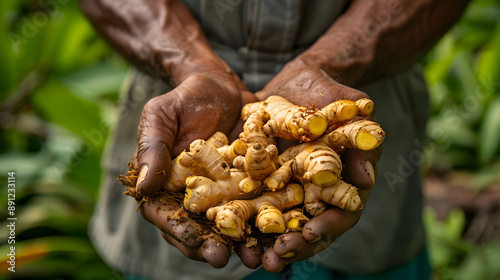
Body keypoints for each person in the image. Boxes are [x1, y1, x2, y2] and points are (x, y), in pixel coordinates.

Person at [79, 0, 470, 279]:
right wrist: (189, 64)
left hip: (371, 116)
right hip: (179, 106)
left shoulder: (294, 146)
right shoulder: (231, 163)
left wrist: (330, 63)